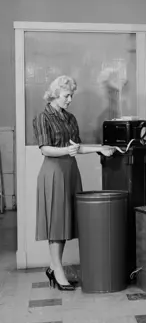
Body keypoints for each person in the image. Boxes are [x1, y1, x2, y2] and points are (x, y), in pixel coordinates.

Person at [34, 75, 116, 290]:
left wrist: (100, 147)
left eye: (71, 95)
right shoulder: (43, 117)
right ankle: (57, 269)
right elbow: (44, 148)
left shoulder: (70, 118)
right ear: (54, 94)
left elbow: (77, 147)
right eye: (66, 96)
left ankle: (54, 267)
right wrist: (65, 151)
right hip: (53, 172)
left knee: (65, 221)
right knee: (56, 222)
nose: (69, 99)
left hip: (70, 171)